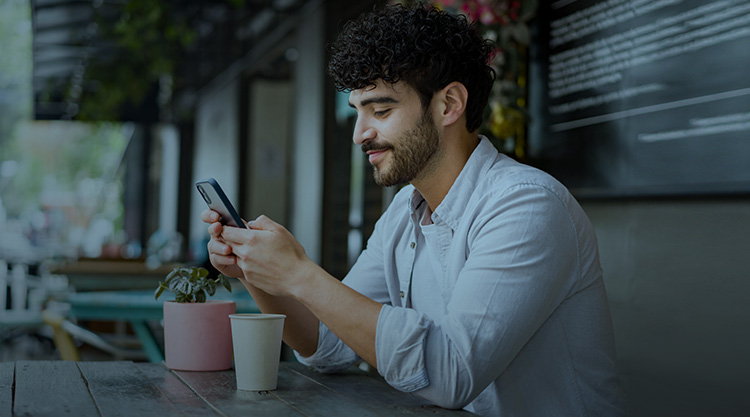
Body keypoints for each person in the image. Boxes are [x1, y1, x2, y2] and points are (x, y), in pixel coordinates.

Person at [203, 4, 624, 416]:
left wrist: (299, 272)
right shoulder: (405, 210)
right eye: (357, 113)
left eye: (381, 110)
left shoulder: (526, 205)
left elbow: (451, 374)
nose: (359, 135)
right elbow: (327, 347)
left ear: (448, 105)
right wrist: (258, 271)